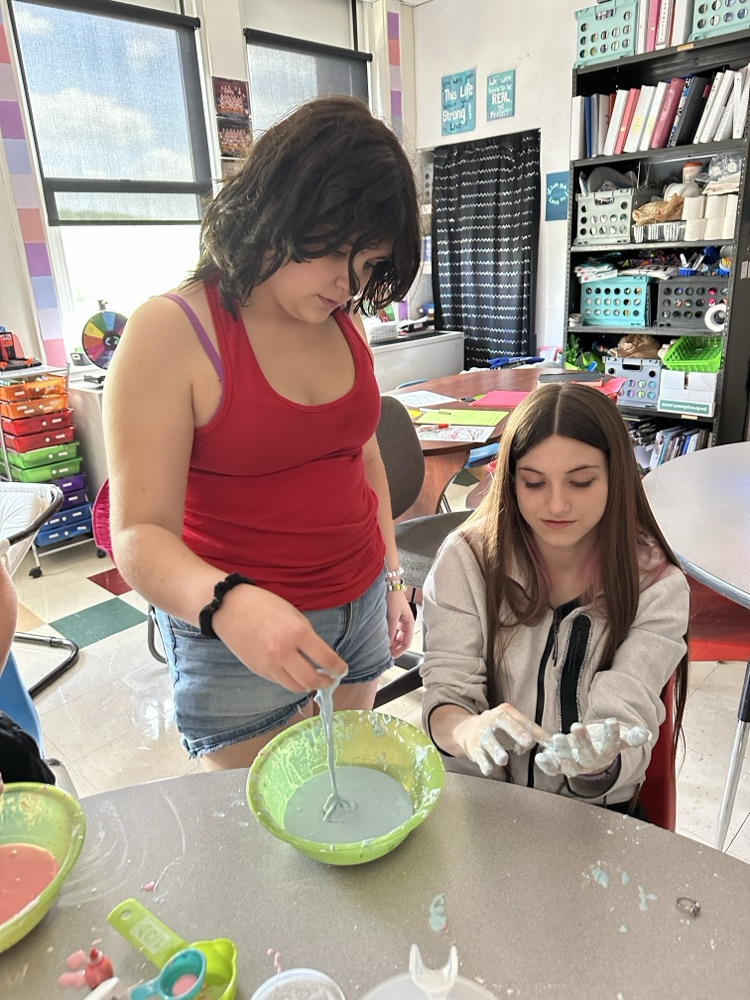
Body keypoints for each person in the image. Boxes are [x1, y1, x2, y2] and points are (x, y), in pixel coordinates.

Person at [101, 96, 422, 769]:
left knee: (344, 786)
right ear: (276, 208)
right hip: (236, 634)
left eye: (367, 265)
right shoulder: (171, 333)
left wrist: (392, 576)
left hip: (359, 601)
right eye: (335, 250)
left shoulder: (342, 317)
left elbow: (361, 458)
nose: (347, 281)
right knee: (267, 828)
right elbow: (137, 535)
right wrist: (226, 604)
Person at [420, 382, 690, 816]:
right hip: (487, 809)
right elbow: (447, 692)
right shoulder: (466, 559)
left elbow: (627, 710)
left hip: (596, 817)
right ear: (510, 481)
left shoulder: (656, 586)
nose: (557, 503)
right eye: (534, 482)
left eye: (581, 482)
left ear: (616, 478)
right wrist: (469, 731)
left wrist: (598, 762)